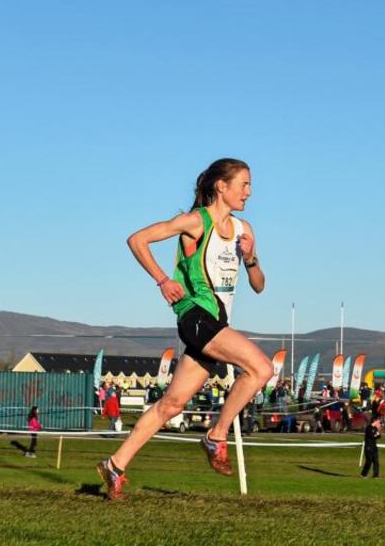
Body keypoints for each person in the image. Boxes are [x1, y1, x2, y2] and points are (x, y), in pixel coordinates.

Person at [97, 158, 274, 501]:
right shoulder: (195, 222)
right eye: (244, 185)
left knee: (171, 405)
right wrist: (162, 280)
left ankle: (114, 465)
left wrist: (250, 258)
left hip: (217, 324)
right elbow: (137, 240)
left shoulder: (244, 230)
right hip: (195, 316)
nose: (249, 192)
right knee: (261, 368)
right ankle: (215, 436)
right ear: (222, 186)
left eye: (250, 186)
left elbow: (259, 285)